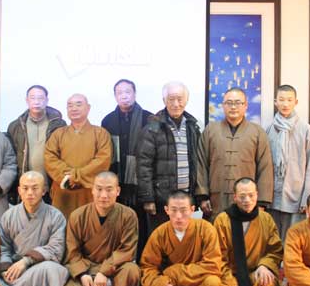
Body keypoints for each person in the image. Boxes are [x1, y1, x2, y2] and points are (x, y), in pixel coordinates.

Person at [127, 191, 223, 286]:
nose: (178, 216)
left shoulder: (206, 230)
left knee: (213, 283)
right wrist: (161, 284)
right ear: (166, 210)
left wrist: (174, 274)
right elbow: (148, 267)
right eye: (174, 210)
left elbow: (213, 264)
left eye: (183, 210)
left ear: (192, 210)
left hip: (195, 285)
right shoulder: (159, 234)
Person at [63, 171, 140, 286]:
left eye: (109, 190)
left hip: (115, 268)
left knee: (132, 271)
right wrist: (82, 275)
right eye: (99, 189)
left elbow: (127, 249)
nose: (103, 195)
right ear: (92, 190)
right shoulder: (78, 216)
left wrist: (104, 272)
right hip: (87, 267)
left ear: (118, 191)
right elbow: (72, 252)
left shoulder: (128, 216)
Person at [0, 171, 69, 286]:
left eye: (35, 188)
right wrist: (5, 269)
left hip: (42, 265)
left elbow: (56, 248)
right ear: (19, 190)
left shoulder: (55, 216)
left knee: (49, 269)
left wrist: (26, 261)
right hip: (15, 268)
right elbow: (3, 247)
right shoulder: (8, 216)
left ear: (44, 190)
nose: (30, 193)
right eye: (25, 188)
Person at [214, 178, 283, 286]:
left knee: (267, 279)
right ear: (235, 197)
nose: (247, 200)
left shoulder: (266, 219)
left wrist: (265, 265)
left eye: (251, 195)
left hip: (255, 273)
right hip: (231, 276)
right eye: (242, 196)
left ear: (257, 195)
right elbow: (217, 258)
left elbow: (275, 250)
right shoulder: (222, 220)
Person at [137, 81, 203, 241]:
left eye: (180, 99)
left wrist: (199, 195)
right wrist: (148, 198)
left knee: (183, 240)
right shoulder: (153, 127)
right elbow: (143, 165)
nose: (176, 104)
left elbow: (198, 163)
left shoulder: (193, 126)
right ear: (164, 101)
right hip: (161, 200)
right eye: (171, 99)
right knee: (160, 241)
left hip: (186, 198)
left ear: (186, 100)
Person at [197, 87, 274, 221]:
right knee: (216, 232)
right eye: (229, 103)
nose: (233, 107)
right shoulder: (210, 130)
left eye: (238, 103)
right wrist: (202, 196)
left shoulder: (257, 132)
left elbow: (265, 168)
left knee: (245, 232)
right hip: (216, 199)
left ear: (246, 106)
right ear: (223, 105)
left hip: (247, 201)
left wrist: (261, 202)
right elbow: (201, 164)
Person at [44, 94, 112, 220]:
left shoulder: (101, 133)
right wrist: (67, 177)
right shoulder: (58, 134)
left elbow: (103, 160)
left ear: (88, 108)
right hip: (63, 191)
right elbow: (49, 157)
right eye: (70, 106)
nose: (74, 108)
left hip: (89, 192)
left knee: (89, 225)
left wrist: (76, 176)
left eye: (78, 104)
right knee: (62, 226)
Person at [266, 84, 310, 240]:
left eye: (289, 100)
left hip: (296, 194)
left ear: (296, 102)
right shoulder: (269, 129)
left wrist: (307, 198)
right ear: (275, 102)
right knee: (272, 239)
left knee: (293, 240)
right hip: (273, 194)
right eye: (281, 100)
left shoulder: (306, 130)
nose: (285, 104)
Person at [7, 85, 66, 202]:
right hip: (27, 188)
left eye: (40, 98)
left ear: (47, 100)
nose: (37, 102)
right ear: (27, 100)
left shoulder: (59, 124)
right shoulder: (16, 126)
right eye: (33, 98)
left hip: (51, 185)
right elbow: (11, 159)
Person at [100, 79, 152, 209]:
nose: (124, 96)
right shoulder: (107, 121)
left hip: (142, 181)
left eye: (128, 92)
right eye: (120, 93)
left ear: (135, 93)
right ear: (115, 96)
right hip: (115, 180)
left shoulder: (149, 119)